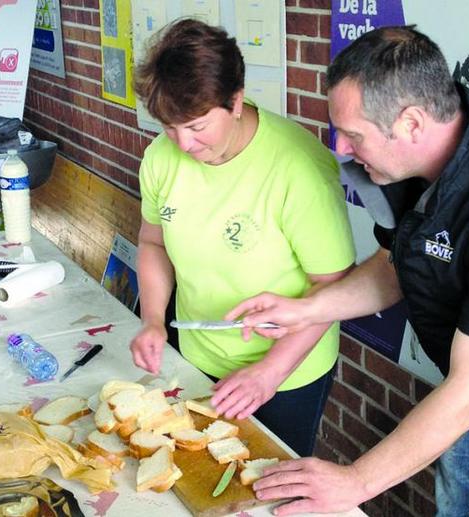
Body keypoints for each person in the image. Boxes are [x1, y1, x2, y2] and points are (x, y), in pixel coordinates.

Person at [227, 26, 469, 516]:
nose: (343, 150)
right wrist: (305, 309)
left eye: (353, 135)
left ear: (412, 123)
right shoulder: (411, 162)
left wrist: (355, 482)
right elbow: (394, 268)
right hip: (468, 379)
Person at [129, 18, 355, 456]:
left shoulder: (299, 169)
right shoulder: (160, 159)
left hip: (287, 369)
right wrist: (154, 320)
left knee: (266, 486)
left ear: (235, 100)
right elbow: (153, 242)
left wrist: (269, 373)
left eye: (196, 127)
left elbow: (334, 286)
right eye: (168, 127)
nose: (182, 144)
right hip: (196, 353)